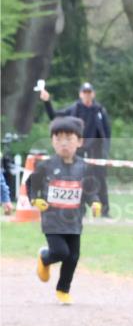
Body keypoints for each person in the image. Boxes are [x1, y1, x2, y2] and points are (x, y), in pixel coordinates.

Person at [28, 117, 101, 304]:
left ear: (79, 141)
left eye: (69, 138)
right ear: (52, 141)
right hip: (52, 219)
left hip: (74, 221)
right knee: (60, 252)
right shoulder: (46, 165)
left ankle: (63, 290)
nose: (64, 143)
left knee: (73, 257)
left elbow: (90, 190)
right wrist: (35, 199)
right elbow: (31, 184)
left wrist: (95, 203)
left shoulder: (84, 167)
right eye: (58, 139)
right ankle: (45, 257)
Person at [40, 82, 112, 217]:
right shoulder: (74, 109)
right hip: (78, 149)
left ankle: (104, 211)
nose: (87, 95)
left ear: (93, 94)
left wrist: (106, 150)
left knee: (100, 179)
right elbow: (54, 116)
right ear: (80, 94)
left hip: (96, 150)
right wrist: (47, 101)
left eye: (89, 92)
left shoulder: (99, 110)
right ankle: (77, 209)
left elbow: (107, 132)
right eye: (84, 92)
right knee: (76, 179)